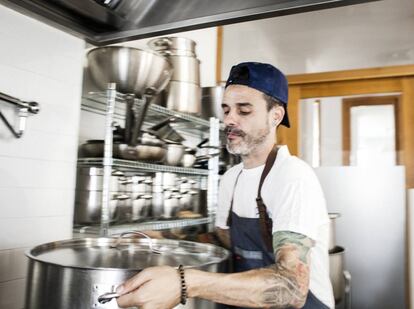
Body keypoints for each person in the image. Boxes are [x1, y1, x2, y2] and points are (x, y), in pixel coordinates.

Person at [116, 62, 335, 309]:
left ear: (276, 116)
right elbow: (223, 241)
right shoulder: (231, 177)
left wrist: (185, 282)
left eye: (244, 110)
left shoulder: (292, 176)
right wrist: (162, 240)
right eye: (226, 109)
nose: (229, 119)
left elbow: (291, 289)